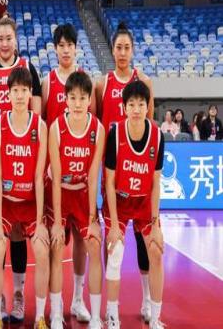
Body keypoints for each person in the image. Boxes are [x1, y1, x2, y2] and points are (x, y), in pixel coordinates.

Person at [0, 15, 42, 322]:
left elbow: (37, 116)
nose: (4, 43)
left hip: (22, 156)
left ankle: (19, 295)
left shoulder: (27, 69)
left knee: (18, 232)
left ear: (16, 39)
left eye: (8, 38)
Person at [95, 22, 155, 323]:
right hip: (111, 173)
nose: (121, 52)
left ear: (132, 51)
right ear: (112, 49)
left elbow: (150, 128)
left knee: (144, 239)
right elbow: (96, 124)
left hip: (138, 172)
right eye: (118, 47)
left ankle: (147, 300)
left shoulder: (143, 82)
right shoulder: (102, 84)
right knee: (113, 240)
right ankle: (111, 306)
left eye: (126, 47)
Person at [41, 23, 96, 323]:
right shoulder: (48, 82)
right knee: (55, 242)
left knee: (82, 241)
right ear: (55, 49)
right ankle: (55, 305)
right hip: (55, 178)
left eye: (69, 45)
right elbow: (41, 126)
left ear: (76, 48)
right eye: (60, 45)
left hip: (81, 178)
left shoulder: (86, 81)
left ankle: (77, 299)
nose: (65, 50)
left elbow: (92, 128)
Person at [0, 67, 49, 329]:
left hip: (30, 203)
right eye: (16, 90)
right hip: (5, 202)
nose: (21, 95)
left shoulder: (40, 126)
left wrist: (41, 222)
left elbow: (38, 177)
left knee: (42, 250)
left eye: (25, 90)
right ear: (9, 94)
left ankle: (39, 316)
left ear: (30, 92)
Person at [102, 80, 165, 329]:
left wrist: (155, 224)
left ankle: (155, 315)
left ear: (148, 106)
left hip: (144, 202)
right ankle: (112, 315)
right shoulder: (115, 134)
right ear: (124, 107)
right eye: (132, 104)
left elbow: (156, 183)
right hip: (118, 200)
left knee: (156, 251)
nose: (137, 109)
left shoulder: (157, 136)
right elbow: (108, 182)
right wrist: (114, 225)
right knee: (116, 252)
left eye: (141, 104)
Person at [47, 71, 105, 329]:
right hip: (59, 191)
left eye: (83, 98)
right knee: (57, 244)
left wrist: (92, 219)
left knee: (91, 243)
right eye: (73, 98)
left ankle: (83, 305)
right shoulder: (56, 128)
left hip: (82, 193)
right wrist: (57, 222)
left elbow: (93, 178)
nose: (78, 103)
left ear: (90, 100)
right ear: (65, 99)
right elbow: (56, 177)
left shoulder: (97, 129)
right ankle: (56, 310)